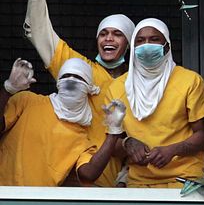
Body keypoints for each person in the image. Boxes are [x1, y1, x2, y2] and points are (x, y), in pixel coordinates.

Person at [24, 0, 133, 187]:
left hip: (120, 183)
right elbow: (40, 32)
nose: (108, 39)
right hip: (73, 179)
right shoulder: (79, 68)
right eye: (103, 34)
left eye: (117, 35)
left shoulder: (138, 83)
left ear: (129, 43)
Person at [107, 19, 204, 188]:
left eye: (154, 39)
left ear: (167, 46)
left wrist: (173, 150)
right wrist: (128, 144)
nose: (146, 45)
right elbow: (111, 143)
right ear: (132, 48)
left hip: (186, 181)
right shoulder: (117, 88)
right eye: (140, 41)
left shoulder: (190, 81)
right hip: (139, 183)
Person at [0, 58, 125, 186]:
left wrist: (114, 132)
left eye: (78, 77)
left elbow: (88, 174)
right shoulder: (27, 101)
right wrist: (8, 89)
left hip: (37, 202)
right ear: (58, 82)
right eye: (66, 76)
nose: (70, 81)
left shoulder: (82, 140)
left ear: (88, 87)